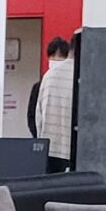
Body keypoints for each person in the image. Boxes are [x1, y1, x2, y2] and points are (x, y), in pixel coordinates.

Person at [31, 35, 75, 171]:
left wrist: (41, 140)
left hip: (51, 149)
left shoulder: (47, 78)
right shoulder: (80, 76)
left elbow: (37, 117)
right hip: (70, 149)